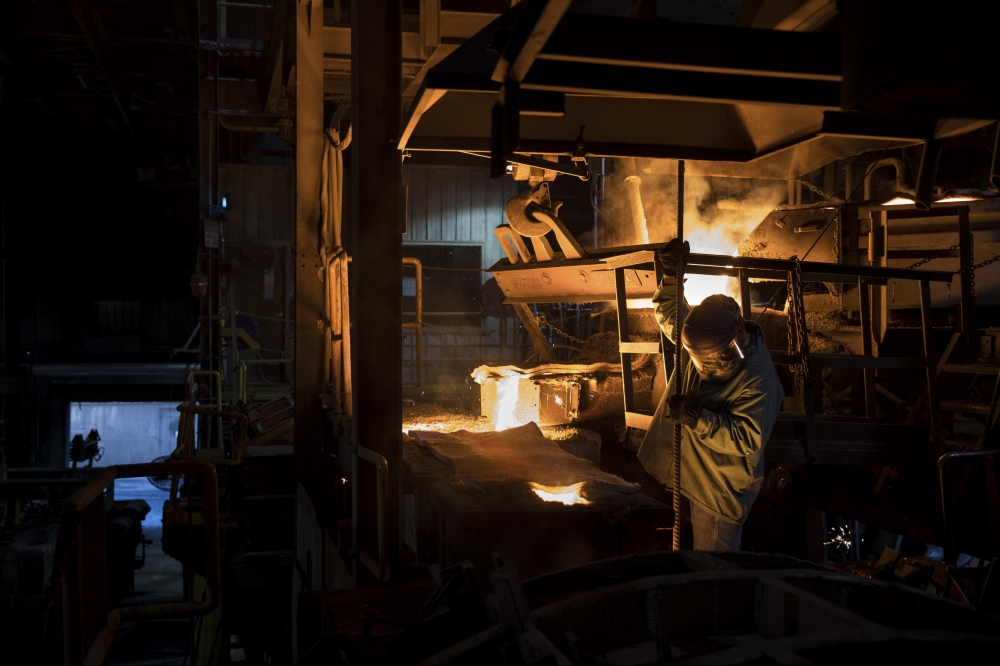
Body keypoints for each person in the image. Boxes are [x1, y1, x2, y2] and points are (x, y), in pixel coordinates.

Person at [637, 238, 784, 551]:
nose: (703, 367)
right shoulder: (706, 337)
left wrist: (696, 418)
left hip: (719, 486)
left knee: (715, 569)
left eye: (711, 360)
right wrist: (672, 278)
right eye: (697, 358)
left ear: (739, 334)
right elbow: (671, 311)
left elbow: (746, 439)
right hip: (693, 468)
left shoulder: (758, 380)